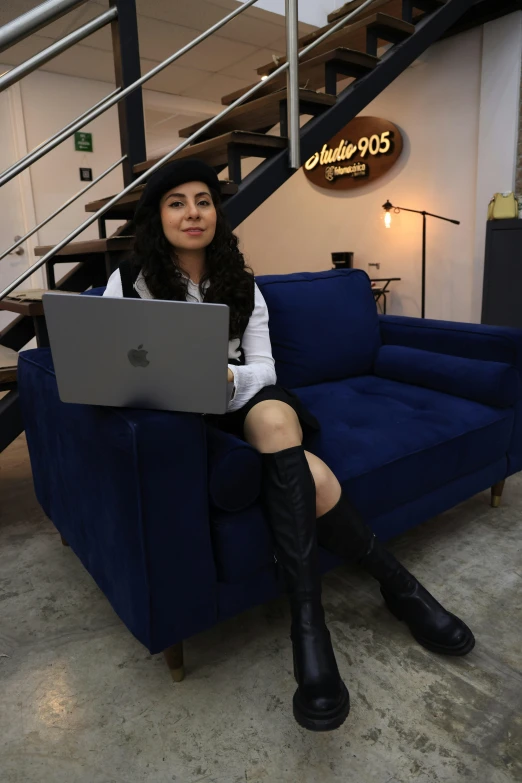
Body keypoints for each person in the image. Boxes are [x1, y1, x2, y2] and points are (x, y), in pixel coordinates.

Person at [104, 158, 475, 733]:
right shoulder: (129, 283)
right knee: (315, 477)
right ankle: (398, 587)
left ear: (216, 212)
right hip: (180, 416)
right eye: (176, 203)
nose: (192, 213)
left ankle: (309, 628)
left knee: (277, 419)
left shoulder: (243, 282)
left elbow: (266, 368)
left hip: (244, 401)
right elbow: (112, 362)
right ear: (159, 216)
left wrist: (229, 382)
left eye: (203, 200)